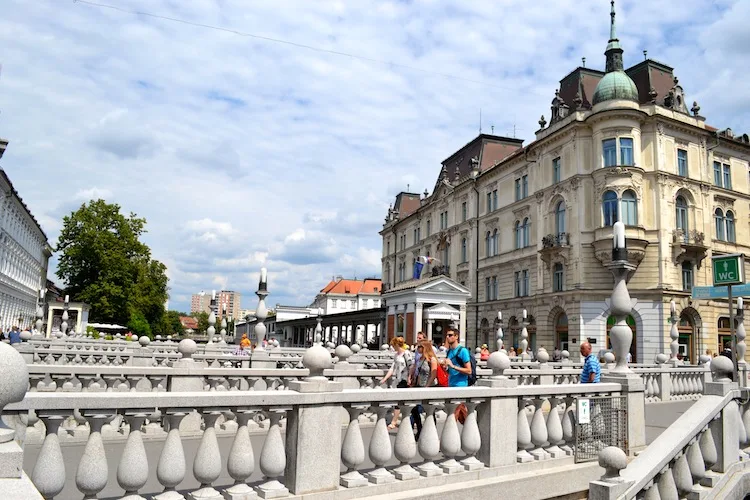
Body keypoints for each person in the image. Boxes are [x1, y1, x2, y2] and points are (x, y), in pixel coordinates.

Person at [380, 336, 413, 430]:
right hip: (398, 379)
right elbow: (393, 368)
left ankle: (394, 421)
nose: (392, 347)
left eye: (393, 345)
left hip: (404, 380)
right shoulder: (396, 355)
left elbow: (411, 366)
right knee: (399, 401)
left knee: (400, 402)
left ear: (396, 345)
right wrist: (385, 378)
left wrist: (409, 378)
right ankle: (398, 421)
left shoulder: (406, 353)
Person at [411, 340, 438, 439]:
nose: (417, 349)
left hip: (428, 386)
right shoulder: (420, 358)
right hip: (418, 385)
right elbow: (416, 370)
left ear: (425, 347)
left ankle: (432, 432)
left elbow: (433, 374)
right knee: (414, 409)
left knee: (430, 410)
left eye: (419, 347)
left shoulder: (432, 359)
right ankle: (419, 429)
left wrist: (428, 386)